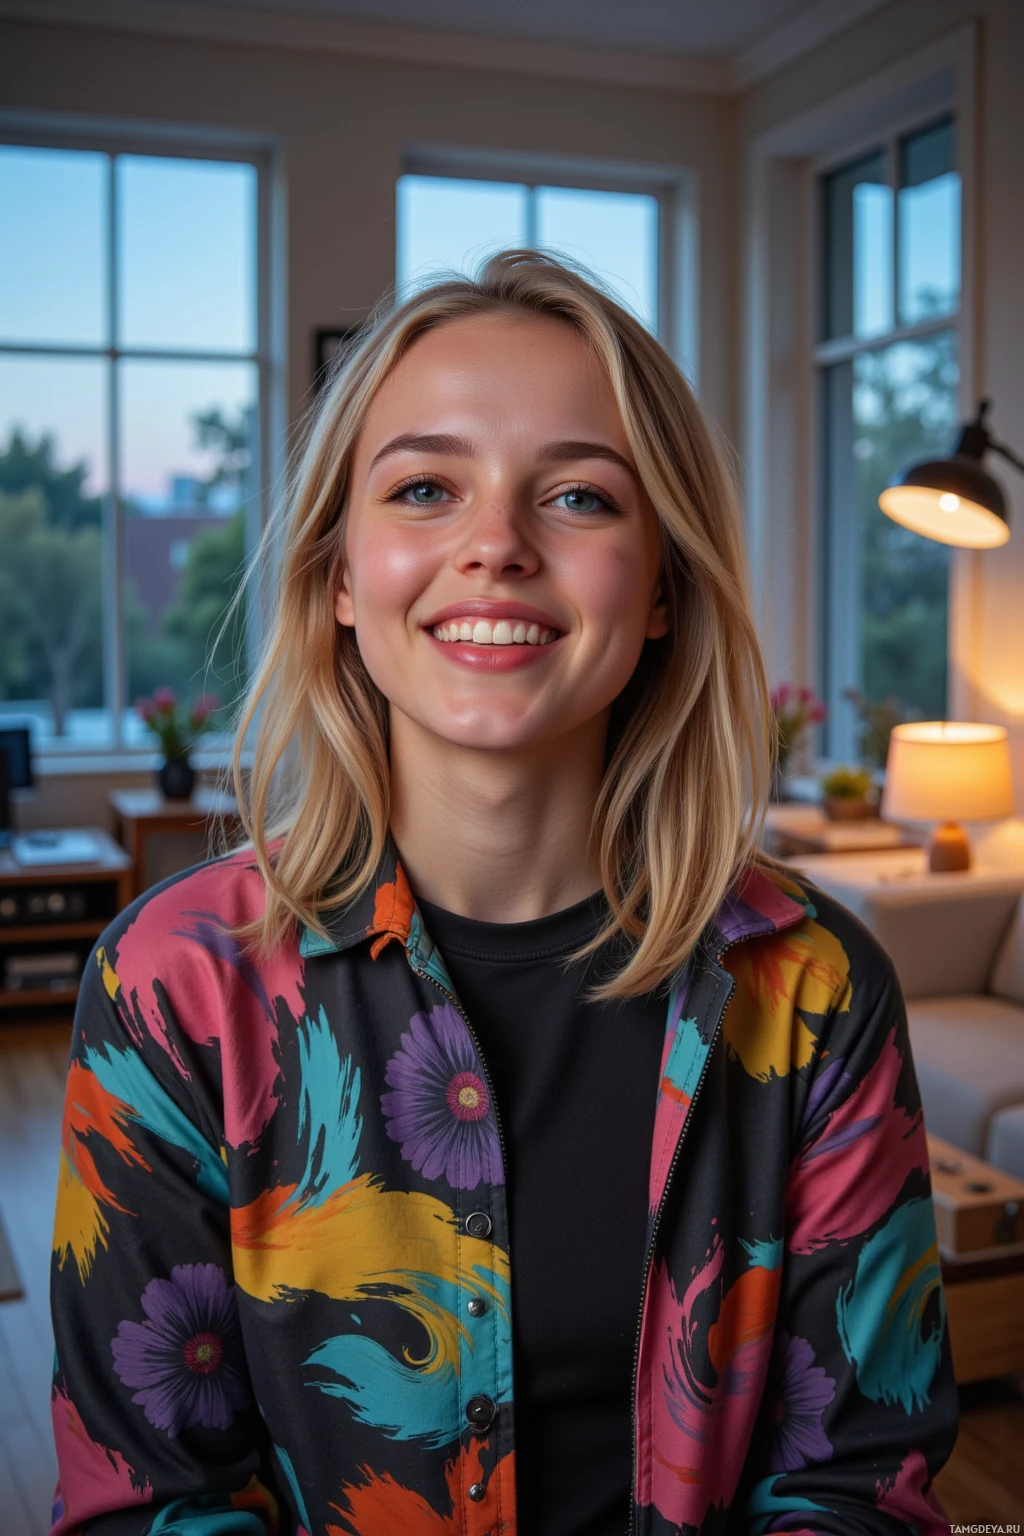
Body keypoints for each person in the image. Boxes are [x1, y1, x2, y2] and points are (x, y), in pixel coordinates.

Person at [49, 251, 958, 1536]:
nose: (495, 546)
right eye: (425, 488)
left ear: (659, 590)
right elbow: (149, 1502)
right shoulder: (176, 987)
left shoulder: (815, 991)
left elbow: (859, 1488)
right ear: (339, 583)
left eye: (579, 496)